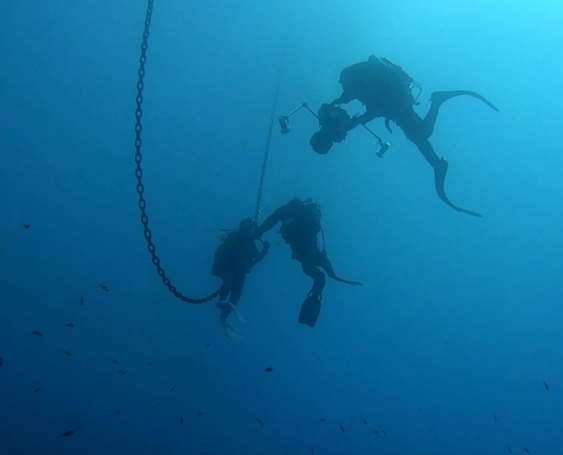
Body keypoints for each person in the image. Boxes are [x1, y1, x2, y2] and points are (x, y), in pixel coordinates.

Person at [310, 55, 498, 216]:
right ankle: (436, 161)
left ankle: (437, 153)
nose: (339, 139)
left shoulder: (331, 119)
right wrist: (357, 118)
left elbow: (365, 110)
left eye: (332, 142)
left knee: (421, 133)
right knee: (421, 133)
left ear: (326, 140)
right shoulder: (332, 117)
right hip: (391, 99)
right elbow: (356, 112)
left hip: (391, 99)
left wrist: (358, 118)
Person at [256, 198, 361, 327]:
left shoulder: (287, 211)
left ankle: (313, 303)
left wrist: (258, 231)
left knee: (318, 275)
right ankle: (316, 298)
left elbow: (271, 221)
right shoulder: (309, 213)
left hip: (303, 252)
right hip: (312, 252)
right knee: (321, 277)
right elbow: (316, 233)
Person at [211, 218, 270, 337]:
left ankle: (224, 314)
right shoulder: (244, 240)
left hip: (234, 272)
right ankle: (224, 312)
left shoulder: (240, 238)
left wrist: (263, 251)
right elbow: (256, 258)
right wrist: (265, 250)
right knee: (233, 296)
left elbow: (254, 258)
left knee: (232, 296)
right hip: (234, 272)